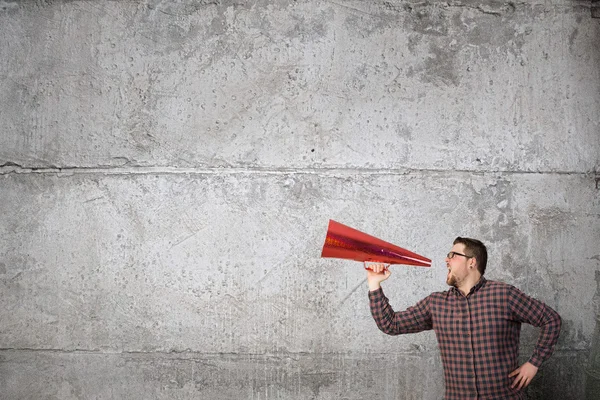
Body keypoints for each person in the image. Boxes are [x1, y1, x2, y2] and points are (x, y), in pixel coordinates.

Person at [366, 237, 562, 400]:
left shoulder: (504, 295)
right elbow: (390, 324)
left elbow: (551, 320)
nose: (446, 260)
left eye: (452, 255)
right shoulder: (435, 304)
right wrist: (374, 283)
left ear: (472, 262)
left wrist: (534, 363)